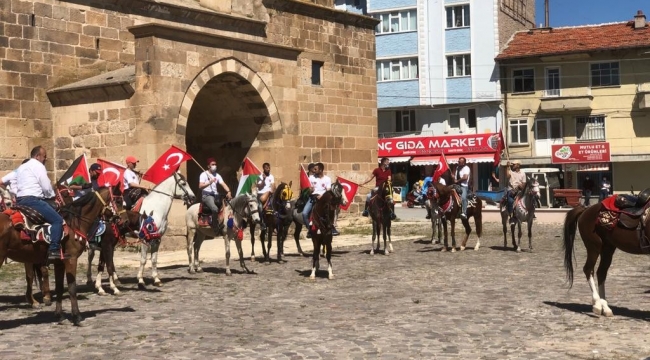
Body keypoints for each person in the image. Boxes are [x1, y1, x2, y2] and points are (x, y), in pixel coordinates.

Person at [15, 146, 64, 260]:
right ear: (37, 156)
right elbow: (46, 186)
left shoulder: (22, 167)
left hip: (20, 200)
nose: (45, 159)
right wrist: (51, 195)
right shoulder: (38, 166)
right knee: (57, 220)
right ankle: (54, 249)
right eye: (44, 156)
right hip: (33, 200)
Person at [199, 157, 232, 234]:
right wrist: (209, 182)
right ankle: (215, 227)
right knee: (215, 209)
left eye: (215, 164)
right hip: (207, 195)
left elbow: (223, 184)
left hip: (216, 195)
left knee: (228, 206)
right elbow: (200, 186)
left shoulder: (217, 175)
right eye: (212, 164)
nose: (214, 166)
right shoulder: (203, 174)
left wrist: (229, 191)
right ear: (208, 166)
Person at [302, 162, 331, 238]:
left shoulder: (327, 179)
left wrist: (322, 196)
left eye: (316, 169)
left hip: (323, 199)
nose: (314, 170)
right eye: (314, 169)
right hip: (313, 198)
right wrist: (310, 190)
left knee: (330, 212)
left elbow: (328, 190)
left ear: (321, 170)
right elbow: (308, 190)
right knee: (304, 213)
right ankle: (310, 230)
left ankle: (331, 227)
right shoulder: (311, 178)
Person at [505, 160, 526, 224]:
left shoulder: (523, 173)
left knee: (529, 199)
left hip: (519, 190)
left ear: (518, 165)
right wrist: (507, 167)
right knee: (510, 201)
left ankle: (530, 214)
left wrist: (521, 186)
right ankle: (512, 217)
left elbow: (524, 183)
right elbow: (507, 176)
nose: (513, 165)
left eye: (514, 164)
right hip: (511, 190)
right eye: (512, 164)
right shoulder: (511, 172)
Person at [255, 162, 274, 231]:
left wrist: (272, 190)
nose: (268, 169)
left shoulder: (271, 176)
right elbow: (259, 187)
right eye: (266, 168)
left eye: (269, 168)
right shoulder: (259, 177)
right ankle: (262, 223)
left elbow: (272, 185)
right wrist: (263, 179)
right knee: (260, 207)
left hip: (269, 194)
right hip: (261, 194)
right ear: (263, 168)